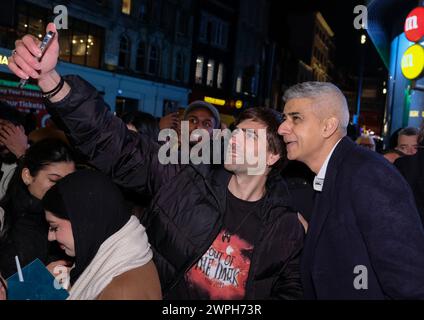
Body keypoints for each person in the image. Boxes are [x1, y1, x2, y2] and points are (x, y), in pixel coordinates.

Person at [8, 23, 304, 299]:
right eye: (236, 131)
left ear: (272, 155)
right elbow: (117, 144)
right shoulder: (184, 178)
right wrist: (51, 81)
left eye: (251, 137)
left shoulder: (285, 227)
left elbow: (291, 290)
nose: (236, 139)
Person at [278, 81, 424, 299]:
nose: (282, 128)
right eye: (284, 118)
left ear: (328, 126)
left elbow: (409, 282)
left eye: (295, 118)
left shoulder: (367, 174)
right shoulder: (333, 174)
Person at [42, 170, 162, 300]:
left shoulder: (121, 293)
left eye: (54, 227)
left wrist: (35, 288)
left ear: (83, 223)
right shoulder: (112, 256)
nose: (50, 237)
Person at [0, 139, 75, 277]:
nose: (62, 188)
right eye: (54, 180)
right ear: (27, 176)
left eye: (69, 181)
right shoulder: (8, 219)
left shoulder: (73, 216)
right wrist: (41, 279)